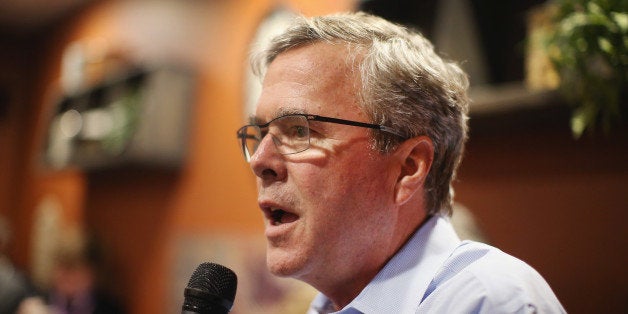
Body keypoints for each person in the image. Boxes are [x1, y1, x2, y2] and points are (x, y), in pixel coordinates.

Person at [237, 12, 565, 313]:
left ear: (408, 168)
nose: (261, 160)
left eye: (299, 130)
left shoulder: (490, 302)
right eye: (261, 133)